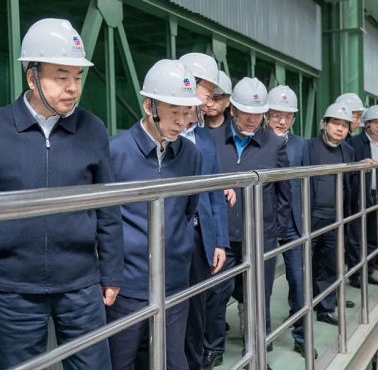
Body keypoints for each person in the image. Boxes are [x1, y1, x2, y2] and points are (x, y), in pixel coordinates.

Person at [0, 18, 124, 370]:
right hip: (15, 289)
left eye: (77, 77)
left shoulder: (92, 129)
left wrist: (112, 271)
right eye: (60, 77)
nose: (72, 88)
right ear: (31, 77)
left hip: (81, 285)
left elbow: (108, 208)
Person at [107, 59, 203, 370]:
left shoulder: (191, 156)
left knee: (172, 361)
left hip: (174, 283)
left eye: (187, 112)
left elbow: (188, 210)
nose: (182, 121)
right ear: (149, 106)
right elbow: (103, 219)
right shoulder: (115, 152)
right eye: (174, 111)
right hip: (126, 287)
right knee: (121, 362)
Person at [205, 77, 291, 370]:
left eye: (258, 113)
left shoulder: (274, 144)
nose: (253, 119)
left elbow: (284, 192)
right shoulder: (212, 140)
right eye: (246, 112)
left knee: (258, 296)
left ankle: (256, 354)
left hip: (260, 236)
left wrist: (276, 231)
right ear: (233, 110)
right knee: (216, 295)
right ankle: (212, 349)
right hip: (223, 236)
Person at [177, 53, 229, 370]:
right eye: (206, 92)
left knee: (197, 312)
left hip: (200, 237)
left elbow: (215, 192)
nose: (209, 101)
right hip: (169, 238)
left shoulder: (205, 138)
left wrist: (219, 241)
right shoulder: (160, 134)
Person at [264, 85, 316, 358]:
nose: (282, 121)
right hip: (266, 223)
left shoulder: (300, 145)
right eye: (276, 115)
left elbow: (308, 185)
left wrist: (307, 220)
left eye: (287, 116)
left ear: (294, 118)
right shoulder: (258, 142)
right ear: (266, 115)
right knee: (263, 285)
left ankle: (302, 336)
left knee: (298, 280)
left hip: (294, 223)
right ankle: (263, 340)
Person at [306, 102, 356, 326]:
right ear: (324, 124)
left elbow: (350, 185)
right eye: (335, 123)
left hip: (336, 216)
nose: (340, 129)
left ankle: (326, 308)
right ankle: (302, 307)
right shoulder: (310, 147)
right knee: (305, 263)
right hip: (312, 215)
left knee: (329, 262)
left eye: (344, 125)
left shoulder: (349, 151)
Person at [348, 105, 378, 287]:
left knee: (373, 235)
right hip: (361, 195)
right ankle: (356, 274)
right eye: (376, 123)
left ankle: (369, 270)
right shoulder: (355, 143)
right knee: (357, 237)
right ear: (366, 124)